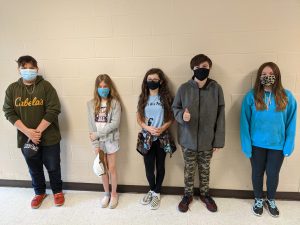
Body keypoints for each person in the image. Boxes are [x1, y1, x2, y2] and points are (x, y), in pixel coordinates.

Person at [3, 55, 64, 209]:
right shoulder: (12, 89)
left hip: (49, 137)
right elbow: (9, 112)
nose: (28, 71)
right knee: (34, 167)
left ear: (37, 69)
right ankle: (39, 192)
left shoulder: (46, 87)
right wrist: (28, 133)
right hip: (26, 139)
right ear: (19, 70)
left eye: (31, 68)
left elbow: (54, 109)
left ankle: (57, 191)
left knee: (53, 166)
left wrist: (36, 132)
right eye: (24, 68)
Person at [240, 62, 297, 217]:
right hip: (256, 144)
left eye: (270, 74)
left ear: (277, 75)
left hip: (277, 145)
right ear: (259, 77)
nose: (267, 77)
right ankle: (258, 199)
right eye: (263, 74)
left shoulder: (288, 96)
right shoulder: (251, 96)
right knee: (257, 173)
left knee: (273, 174)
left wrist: (289, 144)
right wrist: (246, 145)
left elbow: (291, 122)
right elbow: (244, 122)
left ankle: (270, 199)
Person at [172, 54, 225, 213]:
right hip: (187, 139)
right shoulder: (184, 88)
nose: (201, 70)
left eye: (205, 67)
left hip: (207, 140)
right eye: (198, 67)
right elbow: (175, 109)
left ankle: (205, 195)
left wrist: (218, 140)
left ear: (209, 69)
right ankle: (187, 195)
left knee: (205, 169)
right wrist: (182, 116)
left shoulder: (216, 88)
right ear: (193, 69)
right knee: (189, 169)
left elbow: (221, 115)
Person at [136, 68, 173, 210]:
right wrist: (147, 127)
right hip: (147, 138)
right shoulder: (143, 97)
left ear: (161, 81)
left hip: (162, 138)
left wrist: (163, 128)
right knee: (149, 167)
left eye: (155, 79)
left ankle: (157, 193)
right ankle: (151, 190)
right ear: (146, 81)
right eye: (149, 79)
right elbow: (138, 117)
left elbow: (171, 118)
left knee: (161, 166)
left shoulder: (166, 98)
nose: (152, 82)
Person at [87, 74, 121, 209]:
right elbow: (91, 127)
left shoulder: (115, 103)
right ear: (96, 88)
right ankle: (106, 193)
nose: (102, 89)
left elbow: (115, 124)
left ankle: (114, 194)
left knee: (111, 168)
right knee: (102, 169)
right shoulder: (90, 104)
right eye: (100, 87)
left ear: (109, 87)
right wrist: (95, 143)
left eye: (105, 86)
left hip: (111, 140)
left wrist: (97, 134)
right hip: (98, 142)